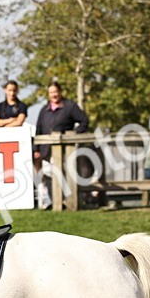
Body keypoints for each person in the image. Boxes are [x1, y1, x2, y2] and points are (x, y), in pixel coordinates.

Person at [33, 81, 88, 209]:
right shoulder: (44, 110)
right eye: (51, 92)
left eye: (55, 92)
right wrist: (36, 149)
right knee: (48, 174)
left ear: (60, 92)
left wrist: (73, 134)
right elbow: (39, 129)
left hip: (65, 150)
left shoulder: (69, 106)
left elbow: (84, 121)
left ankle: (67, 201)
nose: (54, 95)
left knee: (64, 174)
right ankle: (51, 201)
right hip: (46, 150)